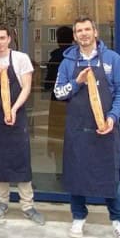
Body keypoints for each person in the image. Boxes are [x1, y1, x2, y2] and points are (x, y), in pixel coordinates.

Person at [53, 17, 120, 238]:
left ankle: (118, 222)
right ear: (75, 36)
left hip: (105, 129)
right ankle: (78, 217)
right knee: (77, 174)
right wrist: (76, 82)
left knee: (109, 176)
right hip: (77, 129)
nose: (84, 34)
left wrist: (112, 117)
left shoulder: (112, 60)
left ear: (95, 32)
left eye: (88, 29)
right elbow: (59, 92)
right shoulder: (68, 61)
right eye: (79, 31)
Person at [0, 24, 45, 225]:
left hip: (18, 116)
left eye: (2, 38)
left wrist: (14, 109)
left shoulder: (21, 59)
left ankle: (28, 205)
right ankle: (2, 202)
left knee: (21, 159)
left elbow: (26, 88)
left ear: (9, 39)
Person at [43, 26, 73, 179]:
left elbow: (48, 84)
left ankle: (60, 173)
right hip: (74, 104)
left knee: (57, 137)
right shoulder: (77, 56)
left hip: (58, 104)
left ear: (58, 39)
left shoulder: (55, 58)